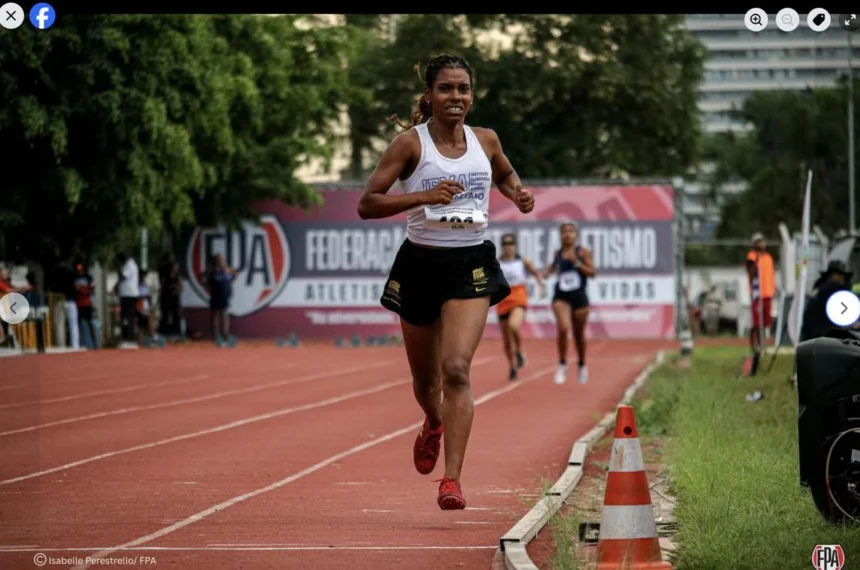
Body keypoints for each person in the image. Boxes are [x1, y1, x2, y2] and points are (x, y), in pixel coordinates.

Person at [356, 54, 535, 510]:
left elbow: (506, 173)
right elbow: (368, 203)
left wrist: (517, 192)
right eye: (446, 89)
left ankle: (451, 480)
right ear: (430, 95)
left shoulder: (487, 140)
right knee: (425, 382)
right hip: (419, 264)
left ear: (472, 95)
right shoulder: (409, 144)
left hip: (470, 263)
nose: (455, 97)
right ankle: (433, 422)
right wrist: (423, 196)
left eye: (463, 89)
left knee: (456, 369)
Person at [542, 222, 596, 385]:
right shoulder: (558, 253)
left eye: (571, 232)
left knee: (579, 335)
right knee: (564, 328)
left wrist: (578, 263)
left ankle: (581, 364)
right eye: (564, 232)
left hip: (579, 296)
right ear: (560, 235)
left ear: (576, 235)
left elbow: (592, 272)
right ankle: (563, 364)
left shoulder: (582, 252)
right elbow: (553, 267)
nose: (567, 235)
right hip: (561, 296)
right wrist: (546, 273)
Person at [495, 233, 545, 381]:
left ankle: (519, 351)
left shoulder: (522, 261)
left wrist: (541, 286)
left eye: (510, 244)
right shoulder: (497, 263)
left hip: (518, 298)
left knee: (513, 326)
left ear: (515, 246)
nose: (508, 247)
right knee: (506, 339)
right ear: (502, 246)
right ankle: (512, 366)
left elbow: (536, 273)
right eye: (505, 244)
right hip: (503, 301)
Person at [800, 260, 855, 342]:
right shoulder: (832, 289)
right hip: (824, 336)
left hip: (813, 336)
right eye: (838, 275)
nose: (841, 279)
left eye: (842, 276)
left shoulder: (819, 289)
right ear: (830, 276)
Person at [745, 232, 776, 374]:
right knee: (757, 323)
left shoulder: (768, 258)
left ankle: (763, 345)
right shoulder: (752, 256)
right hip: (758, 294)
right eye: (758, 242)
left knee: (766, 322)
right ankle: (755, 346)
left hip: (768, 293)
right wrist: (755, 260)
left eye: (762, 241)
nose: (761, 244)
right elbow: (750, 272)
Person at [199, 253, 236, 345]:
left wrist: (231, 280)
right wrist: (206, 286)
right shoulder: (211, 271)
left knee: (225, 315)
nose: (222, 261)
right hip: (215, 295)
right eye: (220, 259)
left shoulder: (226, 270)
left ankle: (225, 334)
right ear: (216, 260)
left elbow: (232, 278)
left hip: (225, 296)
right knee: (215, 315)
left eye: (223, 259)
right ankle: (216, 335)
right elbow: (202, 278)